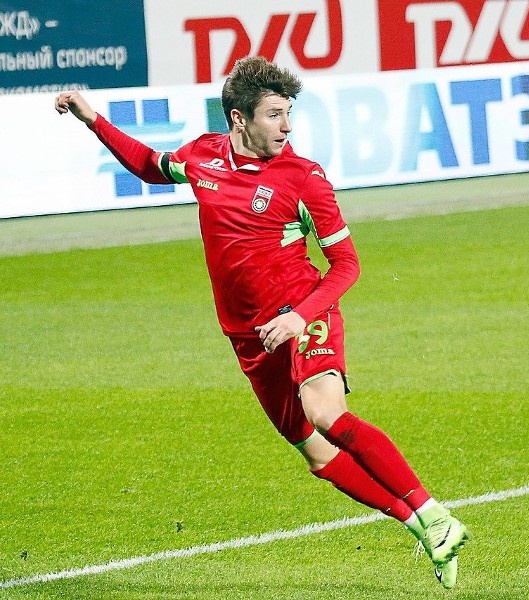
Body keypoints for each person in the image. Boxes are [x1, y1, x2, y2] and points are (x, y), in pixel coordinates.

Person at [54, 56, 469, 589]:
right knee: (316, 454)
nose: (287, 126)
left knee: (326, 415)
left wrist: (300, 316)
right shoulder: (203, 157)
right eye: (275, 114)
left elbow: (347, 265)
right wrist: (93, 119)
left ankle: (433, 512)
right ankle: (424, 529)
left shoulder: (304, 178)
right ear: (239, 119)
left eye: (289, 113)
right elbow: (151, 165)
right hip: (247, 334)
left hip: (304, 312)